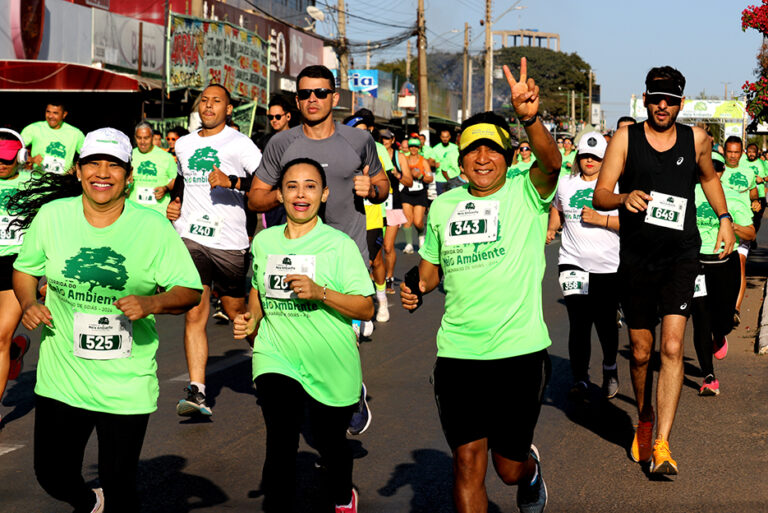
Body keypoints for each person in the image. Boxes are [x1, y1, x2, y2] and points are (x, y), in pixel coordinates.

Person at [11, 127, 202, 513]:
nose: (102, 172)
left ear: (129, 176)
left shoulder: (152, 227)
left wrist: (152, 303)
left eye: (113, 165)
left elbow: (189, 291)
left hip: (125, 381)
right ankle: (89, 503)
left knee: (119, 485)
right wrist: (29, 301)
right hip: (63, 375)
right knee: (51, 474)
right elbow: (25, 269)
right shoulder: (52, 216)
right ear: (78, 171)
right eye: (93, 163)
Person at [401, 57, 561, 513]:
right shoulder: (444, 206)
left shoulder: (525, 193)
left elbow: (551, 163)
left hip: (519, 353)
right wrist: (416, 287)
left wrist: (529, 118)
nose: (482, 158)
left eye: (492, 150)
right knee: (467, 462)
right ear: (461, 159)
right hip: (458, 354)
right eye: (473, 151)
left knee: (506, 469)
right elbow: (430, 273)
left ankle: (529, 472)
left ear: (508, 158)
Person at [593, 66, 735, 475]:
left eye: (670, 100)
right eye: (656, 98)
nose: (662, 106)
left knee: (672, 347)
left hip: (681, 255)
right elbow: (601, 194)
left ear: (680, 103)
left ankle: (662, 445)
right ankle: (644, 416)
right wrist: (624, 198)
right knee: (640, 352)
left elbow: (708, 179)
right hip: (637, 257)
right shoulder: (626, 138)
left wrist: (724, 217)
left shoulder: (697, 139)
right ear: (645, 98)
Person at [248, 64, 388, 436]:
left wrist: (371, 190)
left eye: (321, 93)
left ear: (334, 98)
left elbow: (383, 185)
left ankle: (347, 389)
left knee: (345, 331)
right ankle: (309, 385)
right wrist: (286, 193)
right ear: (297, 100)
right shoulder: (282, 143)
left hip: (347, 250)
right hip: (297, 249)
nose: (313, 99)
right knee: (303, 327)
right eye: (306, 94)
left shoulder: (358, 141)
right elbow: (255, 196)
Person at [233, 158, 373, 513]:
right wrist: (248, 323)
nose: (300, 194)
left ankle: (344, 494)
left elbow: (365, 308)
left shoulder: (338, 245)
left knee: (331, 444)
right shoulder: (264, 241)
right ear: (279, 194)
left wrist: (320, 293)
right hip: (276, 356)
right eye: (291, 186)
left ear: (324, 194)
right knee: (280, 444)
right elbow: (257, 295)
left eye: (310, 186)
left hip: (330, 360)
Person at [166, 83, 261, 417]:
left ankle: (274, 364)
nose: (208, 106)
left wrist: (232, 181)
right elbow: (181, 181)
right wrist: (174, 203)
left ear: (228, 109)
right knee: (195, 309)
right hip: (191, 237)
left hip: (230, 243)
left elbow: (267, 184)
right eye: (204, 101)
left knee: (238, 314)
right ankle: (198, 392)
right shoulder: (185, 144)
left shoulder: (240, 144)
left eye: (216, 101)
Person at [546, 132, 621, 401]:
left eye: (596, 157)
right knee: (579, 321)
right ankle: (580, 377)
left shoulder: (615, 186)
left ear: (605, 159)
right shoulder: (565, 184)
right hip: (572, 261)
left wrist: (601, 220)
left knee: (605, 323)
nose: (590, 161)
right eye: (585, 156)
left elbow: (631, 225)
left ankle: (610, 368)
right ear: (578, 156)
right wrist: (552, 227)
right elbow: (557, 208)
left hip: (608, 265)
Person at [691, 151, 754, 396]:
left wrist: (730, 225)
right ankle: (709, 376)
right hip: (697, 264)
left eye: (717, 168)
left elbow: (750, 234)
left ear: (722, 171)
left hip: (725, 264)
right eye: (707, 167)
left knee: (724, 320)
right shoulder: (690, 194)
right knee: (700, 321)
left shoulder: (734, 198)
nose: (712, 172)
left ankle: (720, 335)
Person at [343, 110, 394, 323]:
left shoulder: (378, 149)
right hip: (346, 216)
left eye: (365, 132)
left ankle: (380, 299)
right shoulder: (339, 150)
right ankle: (356, 314)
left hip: (373, 214)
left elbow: (386, 183)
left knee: (373, 260)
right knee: (350, 265)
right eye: (357, 132)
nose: (362, 136)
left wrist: (374, 192)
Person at [0, 129, 35, 421]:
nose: (0, 163)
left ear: (20, 158)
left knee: (0, 335)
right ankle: (13, 351)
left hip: (15, 262)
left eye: (7, 159)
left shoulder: (33, 184)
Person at [720, 136, 758, 326]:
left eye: (736, 152)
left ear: (741, 152)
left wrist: (755, 201)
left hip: (742, 224)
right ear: (724, 152)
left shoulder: (748, 172)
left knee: (740, 265)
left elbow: (753, 192)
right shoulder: (718, 171)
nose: (733, 156)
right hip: (720, 225)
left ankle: (735, 308)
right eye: (729, 152)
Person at [380, 129, 413, 294]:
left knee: (387, 246)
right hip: (375, 204)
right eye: (382, 138)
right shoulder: (374, 153)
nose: (384, 141)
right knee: (375, 246)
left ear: (392, 140)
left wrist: (397, 174)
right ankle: (376, 274)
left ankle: (389, 278)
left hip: (393, 203)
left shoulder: (399, 157)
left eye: (387, 138)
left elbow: (410, 182)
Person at [21, 100, 84, 174]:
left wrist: (76, 168)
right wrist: (30, 159)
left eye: (55, 113)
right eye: (48, 112)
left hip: (63, 182)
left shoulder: (76, 133)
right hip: (37, 180)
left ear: (64, 114)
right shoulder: (33, 128)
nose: (50, 116)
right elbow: (14, 149)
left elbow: (88, 156)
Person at [127, 122, 177, 215]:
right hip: (134, 211)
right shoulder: (129, 156)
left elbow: (176, 179)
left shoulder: (166, 157)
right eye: (139, 138)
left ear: (152, 137)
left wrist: (165, 188)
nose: (142, 142)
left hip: (158, 212)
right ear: (135, 137)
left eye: (146, 138)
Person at [401, 137, 433, 254]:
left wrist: (420, 176)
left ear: (419, 148)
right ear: (409, 148)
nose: (413, 149)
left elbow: (430, 178)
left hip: (420, 193)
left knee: (418, 222)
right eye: (411, 146)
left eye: (415, 146)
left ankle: (421, 236)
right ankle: (409, 245)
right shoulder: (404, 159)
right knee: (407, 220)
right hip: (406, 192)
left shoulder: (423, 161)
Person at [432, 129, 462, 194]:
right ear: (440, 137)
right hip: (440, 179)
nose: (445, 139)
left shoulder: (455, 147)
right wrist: (434, 164)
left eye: (446, 137)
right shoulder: (435, 148)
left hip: (454, 179)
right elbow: (430, 161)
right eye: (443, 137)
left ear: (450, 137)